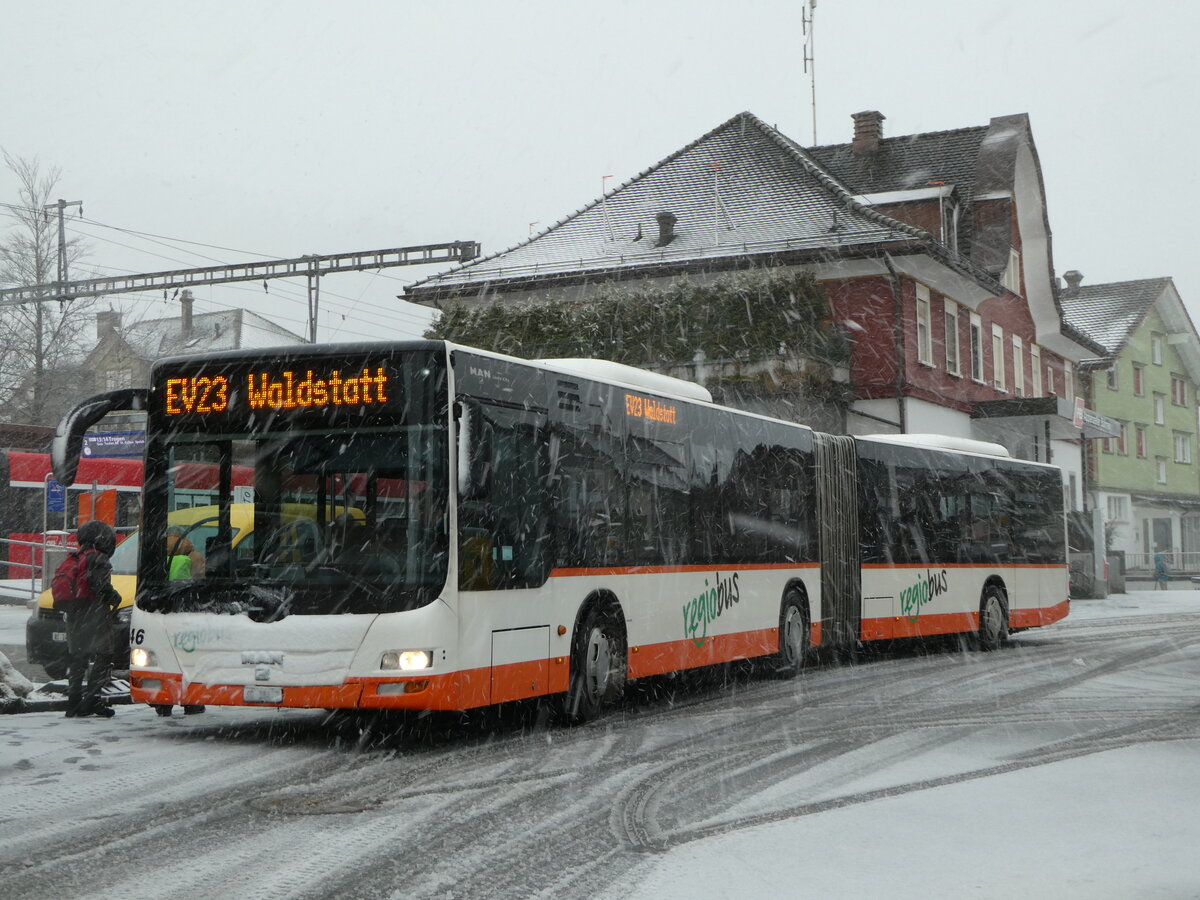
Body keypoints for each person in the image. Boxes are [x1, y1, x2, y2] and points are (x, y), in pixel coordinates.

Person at [53, 520, 121, 718]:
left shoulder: (75, 557)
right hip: (95, 613)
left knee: (78, 658)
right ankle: (92, 700)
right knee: (104, 655)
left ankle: (73, 702)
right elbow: (99, 585)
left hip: (75, 614)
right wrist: (114, 597)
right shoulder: (98, 558)